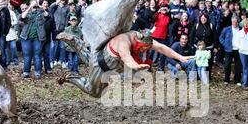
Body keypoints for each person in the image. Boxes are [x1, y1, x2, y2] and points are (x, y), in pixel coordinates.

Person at [57, 30, 193, 98]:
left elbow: (162, 48)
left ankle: (75, 41)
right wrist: (136, 66)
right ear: (139, 42)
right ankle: (69, 76)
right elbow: (127, 58)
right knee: (93, 91)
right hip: (102, 67)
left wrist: (180, 57)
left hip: (106, 64)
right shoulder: (124, 41)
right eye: (144, 48)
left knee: (89, 60)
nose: (145, 51)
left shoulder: (144, 37)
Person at [19, 0, 48, 79]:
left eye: (35, 6)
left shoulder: (41, 13)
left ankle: (37, 72)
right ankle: (26, 72)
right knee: (27, 56)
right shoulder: (27, 13)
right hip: (25, 38)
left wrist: (39, 7)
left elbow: (47, 15)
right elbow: (22, 17)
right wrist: (29, 8)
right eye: (33, 6)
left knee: (37, 55)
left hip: (37, 38)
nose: (34, 7)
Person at [190, 13, 218, 80]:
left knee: (208, 63)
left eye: (205, 18)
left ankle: (207, 77)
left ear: (207, 19)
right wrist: (191, 45)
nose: (203, 19)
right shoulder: (196, 25)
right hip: (198, 48)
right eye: (202, 18)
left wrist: (216, 47)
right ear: (200, 19)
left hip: (208, 48)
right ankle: (198, 76)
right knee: (198, 62)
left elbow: (215, 37)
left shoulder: (211, 26)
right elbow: (191, 36)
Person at [50, 0, 69, 68]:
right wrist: (58, 0)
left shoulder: (67, 7)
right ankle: (52, 60)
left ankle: (62, 61)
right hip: (55, 29)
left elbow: (67, 18)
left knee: (62, 46)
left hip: (63, 29)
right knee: (54, 46)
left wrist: (66, 28)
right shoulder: (55, 6)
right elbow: (51, 7)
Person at [151, 4, 171, 71]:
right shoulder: (158, 15)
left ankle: (161, 67)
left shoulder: (168, 16)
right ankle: (149, 66)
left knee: (163, 53)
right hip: (155, 36)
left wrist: (169, 12)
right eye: (163, 8)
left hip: (164, 37)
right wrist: (158, 11)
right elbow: (153, 18)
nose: (164, 10)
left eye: (165, 9)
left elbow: (171, 21)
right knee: (152, 52)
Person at [0, 4, 12, 68]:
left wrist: (5, 32)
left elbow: (8, 21)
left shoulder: (5, 9)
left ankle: (3, 66)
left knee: (1, 50)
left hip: (1, 34)